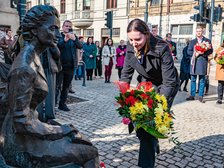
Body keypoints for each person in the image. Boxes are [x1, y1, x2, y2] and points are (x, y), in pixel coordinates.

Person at [0, 5, 99, 167]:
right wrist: (60, 130)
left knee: (83, 141)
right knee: (89, 152)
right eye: (53, 29)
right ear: (34, 31)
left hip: (30, 132)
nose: (58, 35)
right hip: (21, 144)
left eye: (58, 29)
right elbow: (21, 122)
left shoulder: (35, 57)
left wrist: (54, 128)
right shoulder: (24, 67)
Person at [120, 19, 179, 168]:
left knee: (151, 122)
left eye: (138, 39)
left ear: (146, 34)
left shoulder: (162, 47)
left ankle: (146, 164)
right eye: (131, 39)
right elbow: (125, 75)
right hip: (147, 84)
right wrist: (126, 99)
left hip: (167, 85)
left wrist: (157, 106)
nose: (134, 43)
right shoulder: (130, 47)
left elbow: (169, 82)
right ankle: (152, 142)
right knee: (140, 124)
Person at [56, 20, 82, 111]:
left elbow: (80, 46)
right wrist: (64, 41)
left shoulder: (74, 37)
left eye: (69, 26)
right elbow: (57, 47)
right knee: (57, 86)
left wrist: (74, 39)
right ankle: (53, 104)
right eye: (66, 26)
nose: (68, 28)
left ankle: (62, 104)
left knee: (66, 87)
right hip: (60, 66)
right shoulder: (58, 36)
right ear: (62, 27)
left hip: (70, 66)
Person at [186, 26, 213, 103]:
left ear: (202, 32)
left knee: (202, 80)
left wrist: (203, 53)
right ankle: (192, 95)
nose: (199, 32)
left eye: (200, 31)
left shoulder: (207, 41)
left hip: (202, 62)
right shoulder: (192, 42)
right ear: (196, 32)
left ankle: (201, 96)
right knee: (193, 79)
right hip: (194, 63)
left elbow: (210, 51)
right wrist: (195, 53)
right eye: (197, 31)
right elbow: (189, 52)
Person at [37, 47, 61, 122]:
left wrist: (52, 44)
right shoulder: (35, 38)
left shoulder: (51, 39)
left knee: (50, 92)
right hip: (38, 69)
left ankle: (50, 114)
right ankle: (38, 114)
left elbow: (57, 54)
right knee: (38, 92)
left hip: (50, 68)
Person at [214, 40, 224, 104]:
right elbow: (215, 57)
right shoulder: (220, 48)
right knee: (220, 84)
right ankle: (219, 98)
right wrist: (219, 60)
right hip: (221, 68)